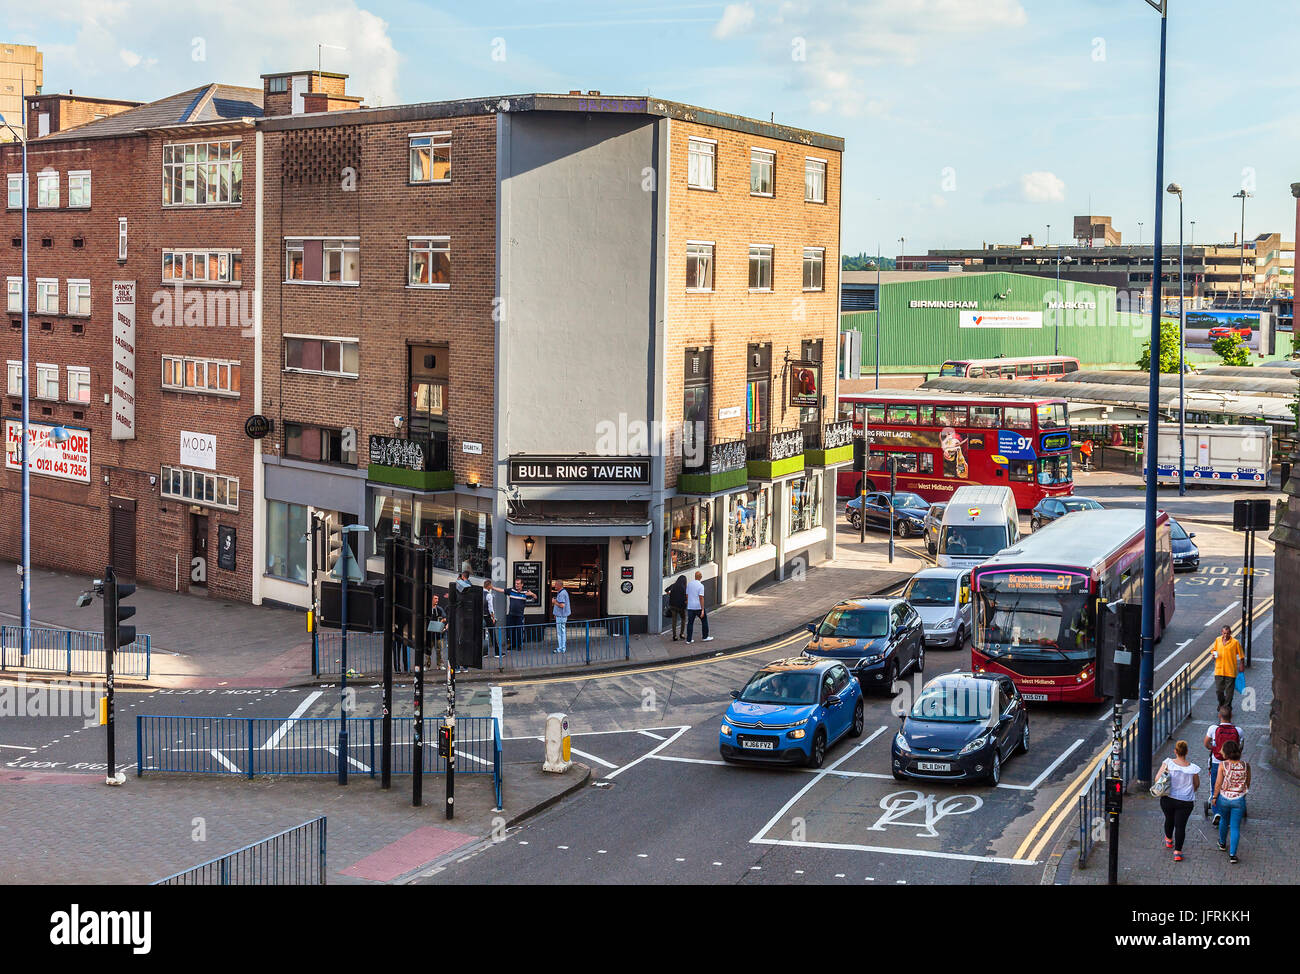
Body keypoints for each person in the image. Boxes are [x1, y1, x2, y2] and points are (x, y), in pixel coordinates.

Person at [1155, 740, 1200, 862]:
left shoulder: (1168, 763)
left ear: (1175, 751)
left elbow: (1157, 779)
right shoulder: (1193, 768)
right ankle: (1178, 852)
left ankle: (1169, 840)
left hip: (1168, 798)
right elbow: (1196, 785)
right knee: (1180, 826)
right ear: (1187, 752)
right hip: (1185, 801)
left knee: (1169, 819)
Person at [1211, 739, 1251, 864]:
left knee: (1224, 820)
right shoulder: (1246, 765)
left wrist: (1214, 797)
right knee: (1235, 827)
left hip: (1224, 798)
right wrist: (1242, 791)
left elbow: (1218, 783)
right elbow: (1247, 783)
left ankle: (1222, 843)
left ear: (1227, 752)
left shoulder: (1223, 765)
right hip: (1239, 800)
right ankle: (1233, 855)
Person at [1203, 704, 1243, 823]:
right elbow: (1240, 748)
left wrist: (1215, 750)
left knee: (1215, 786)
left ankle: (1217, 813)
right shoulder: (1238, 730)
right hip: (1232, 763)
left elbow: (1206, 744)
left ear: (1219, 715)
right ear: (1231, 716)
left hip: (1216, 762)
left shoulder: (1213, 729)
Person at [1211, 625, 1246, 709]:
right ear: (1221, 633)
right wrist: (1213, 655)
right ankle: (1222, 703)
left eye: (1227, 633)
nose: (1225, 635)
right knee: (1219, 690)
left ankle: (1226, 708)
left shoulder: (1235, 642)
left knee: (1229, 692)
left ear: (1230, 633)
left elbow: (1241, 655)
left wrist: (1241, 665)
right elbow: (1214, 650)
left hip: (1230, 671)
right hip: (1219, 670)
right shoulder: (1218, 640)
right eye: (1224, 633)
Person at [504, 577, 536, 654]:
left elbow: (535, 597)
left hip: (519, 616)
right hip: (511, 615)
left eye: (518, 584)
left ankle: (519, 645)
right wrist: (492, 587)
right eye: (516, 583)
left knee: (519, 630)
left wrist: (532, 594)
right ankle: (512, 645)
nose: (516, 585)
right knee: (511, 630)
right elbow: (502, 590)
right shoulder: (511, 590)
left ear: (522, 584)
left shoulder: (525, 592)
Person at [685, 570, 713, 644]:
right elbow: (701, 598)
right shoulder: (701, 586)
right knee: (704, 621)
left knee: (690, 623)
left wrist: (688, 602)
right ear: (701, 577)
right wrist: (702, 609)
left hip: (690, 607)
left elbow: (687, 595)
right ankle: (705, 637)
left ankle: (689, 640)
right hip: (698, 607)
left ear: (695, 577)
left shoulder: (689, 584)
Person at [482, 579, 502, 658]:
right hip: (487, 617)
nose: (492, 587)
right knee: (492, 634)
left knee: (483, 635)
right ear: (489, 586)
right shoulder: (488, 595)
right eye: (491, 585)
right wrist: (493, 618)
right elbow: (491, 608)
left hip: (480, 617)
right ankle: (497, 653)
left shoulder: (480, 593)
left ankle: (484, 653)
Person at [664, 576, 688, 641]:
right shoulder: (684, 588)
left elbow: (666, 590)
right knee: (683, 619)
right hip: (681, 607)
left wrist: (670, 594)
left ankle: (674, 636)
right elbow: (685, 598)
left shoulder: (673, 585)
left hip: (672, 606)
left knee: (674, 621)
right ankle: (681, 634)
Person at [551, 579, 571, 654]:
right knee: (562, 631)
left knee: (560, 633)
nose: (554, 586)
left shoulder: (562, 593)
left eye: (556, 584)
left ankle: (561, 648)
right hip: (561, 615)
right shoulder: (563, 592)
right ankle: (562, 648)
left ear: (559, 585)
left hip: (561, 616)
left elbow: (562, 605)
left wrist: (554, 602)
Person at [427, 594, 446, 667]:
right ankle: (427, 665)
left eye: (437, 598)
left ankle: (440, 665)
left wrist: (441, 621)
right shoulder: (427, 609)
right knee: (428, 650)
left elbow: (445, 618)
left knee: (439, 650)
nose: (437, 600)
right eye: (435, 598)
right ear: (431, 599)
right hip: (429, 634)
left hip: (438, 634)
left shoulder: (440, 609)